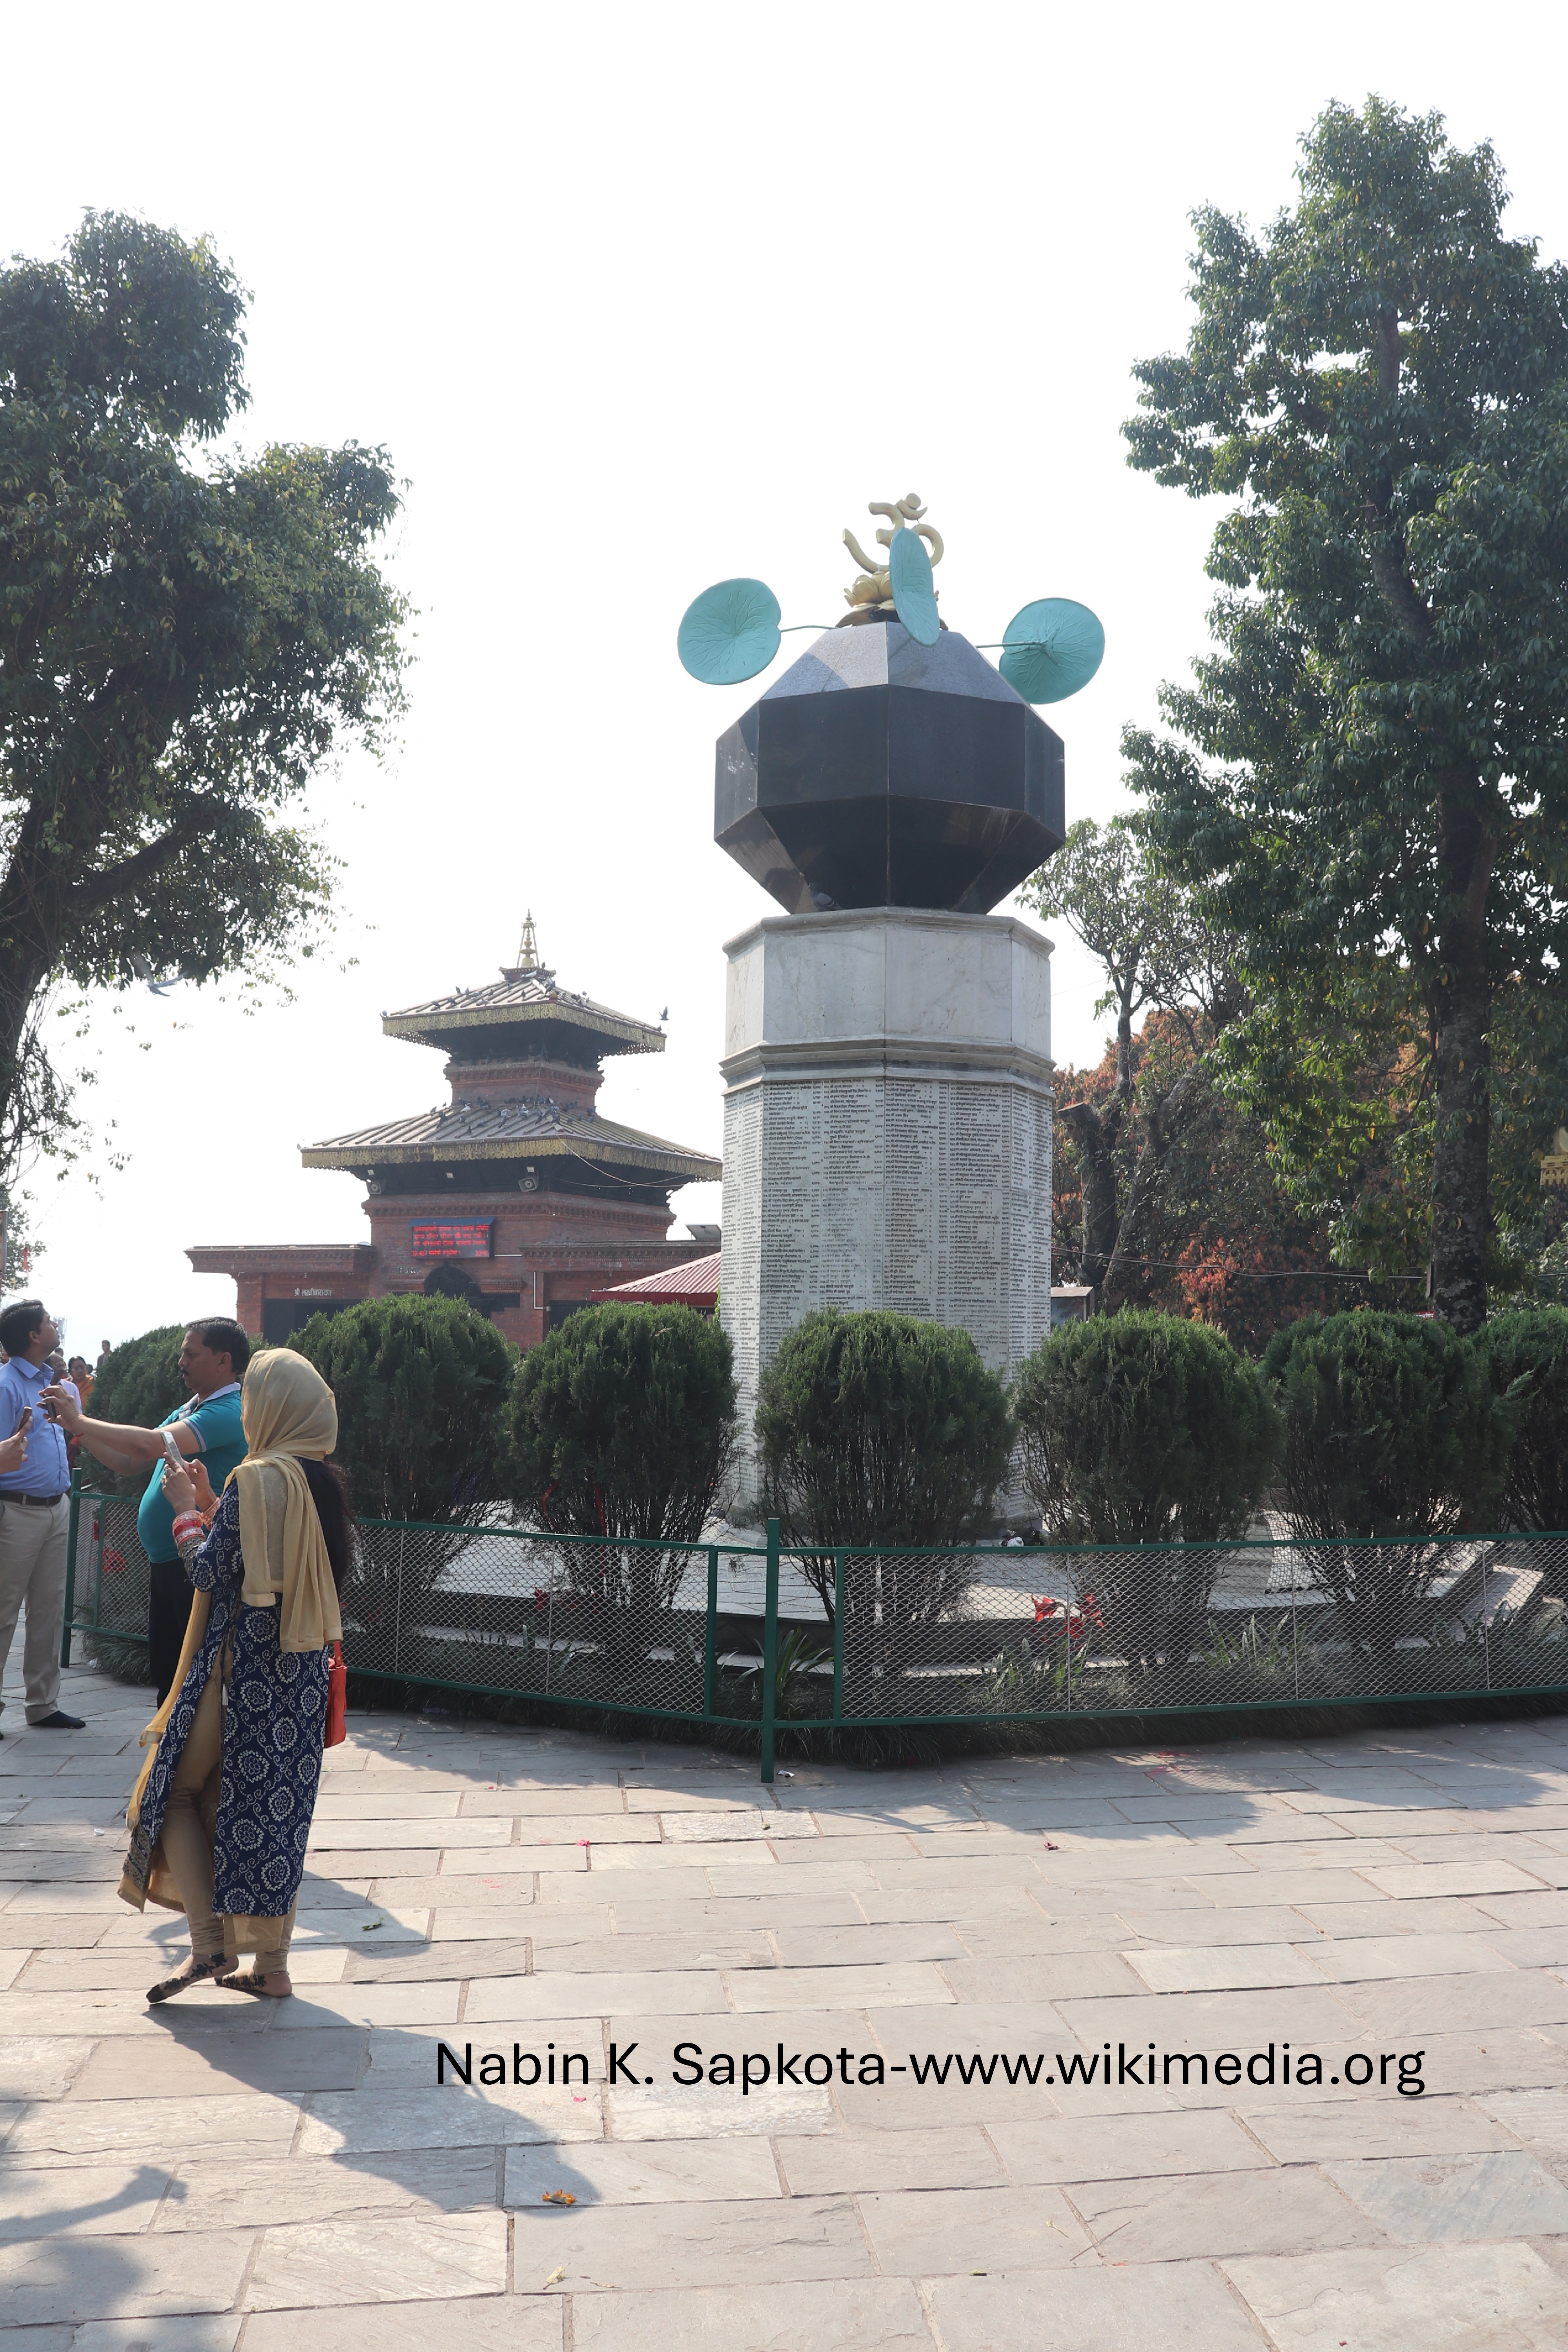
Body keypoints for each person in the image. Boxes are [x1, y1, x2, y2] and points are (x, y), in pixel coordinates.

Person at [118, 1347, 351, 2001]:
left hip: (240, 1671)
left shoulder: (258, 1478)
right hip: (298, 1674)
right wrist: (213, 1504)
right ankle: (271, 1968)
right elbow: (272, 1561)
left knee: (175, 1794)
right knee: (275, 1814)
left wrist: (185, 1513)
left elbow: (212, 1573)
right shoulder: (318, 1482)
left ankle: (210, 1947)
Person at [49, 1319, 250, 1705]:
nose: (181, 1361)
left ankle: (190, 1759)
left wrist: (80, 1419)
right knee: (169, 1670)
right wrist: (78, 1430)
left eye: (191, 1354)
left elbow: (146, 1447)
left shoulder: (227, 1411)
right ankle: (173, 1756)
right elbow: (128, 1461)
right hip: (171, 1561)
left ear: (223, 1361)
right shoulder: (192, 1408)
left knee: (192, 1673)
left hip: (195, 1561)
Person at [0, 1298, 86, 1731]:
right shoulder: (6, 1385)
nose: (54, 1326)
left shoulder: (56, 1385)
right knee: (4, 1611)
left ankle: (43, 1704)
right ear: (34, 1336)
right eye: (49, 1322)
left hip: (57, 1508)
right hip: (16, 1510)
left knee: (49, 1610)